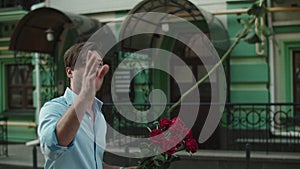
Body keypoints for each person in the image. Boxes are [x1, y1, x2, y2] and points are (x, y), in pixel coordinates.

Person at [38, 42, 135, 169]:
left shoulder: (98, 115)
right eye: (87, 63)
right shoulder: (53, 108)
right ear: (69, 72)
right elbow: (52, 147)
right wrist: (84, 96)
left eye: (98, 64)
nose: (95, 68)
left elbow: (93, 163)